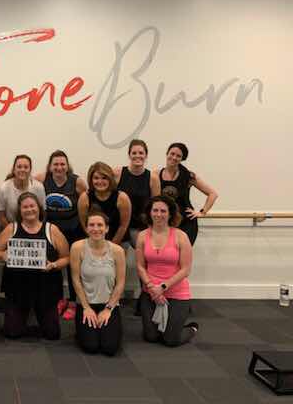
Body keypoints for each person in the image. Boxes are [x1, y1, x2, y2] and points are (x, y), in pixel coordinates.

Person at [0, 192, 69, 340]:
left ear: (39, 208)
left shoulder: (52, 230)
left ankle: (37, 313)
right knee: (12, 332)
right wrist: (4, 256)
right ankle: (24, 315)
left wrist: (53, 264)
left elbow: (66, 258)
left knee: (52, 334)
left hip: (45, 286)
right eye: (25, 207)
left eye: (32, 206)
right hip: (18, 287)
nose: (29, 210)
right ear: (20, 210)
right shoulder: (11, 228)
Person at [136, 196, 198, 347]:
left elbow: (186, 269)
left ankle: (191, 328)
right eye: (155, 210)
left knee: (170, 340)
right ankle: (166, 326)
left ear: (170, 214)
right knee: (151, 337)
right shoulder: (142, 236)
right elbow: (140, 266)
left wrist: (163, 287)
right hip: (150, 292)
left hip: (176, 292)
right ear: (149, 213)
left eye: (163, 211)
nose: (158, 214)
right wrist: (151, 287)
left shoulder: (181, 236)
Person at [35, 150, 87, 321]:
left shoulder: (77, 182)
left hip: (73, 230)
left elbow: (86, 204)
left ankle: (73, 301)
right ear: (50, 166)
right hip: (51, 231)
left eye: (62, 164)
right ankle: (57, 299)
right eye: (55, 164)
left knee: (73, 267)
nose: (59, 167)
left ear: (67, 165)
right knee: (53, 266)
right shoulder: (41, 179)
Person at [70, 212, 126, 356]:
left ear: (107, 228)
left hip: (109, 304)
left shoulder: (117, 251)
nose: (96, 229)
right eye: (91, 225)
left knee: (109, 348)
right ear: (86, 228)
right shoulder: (77, 248)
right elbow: (76, 280)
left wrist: (108, 309)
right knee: (91, 347)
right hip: (86, 304)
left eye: (100, 225)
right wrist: (86, 308)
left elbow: (120, 283)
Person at [160, 143, 218, 245]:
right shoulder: (156, 175)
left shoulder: (189, 176)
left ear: (182, 159)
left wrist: (202, 212)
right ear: (167, 154)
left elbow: (213, 194)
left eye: (178, 156)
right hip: (165, 222)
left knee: (183, 253)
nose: (174, 157)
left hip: (186, 223)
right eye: (172, 154)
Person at [114, 139, 160, 247]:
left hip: (140, 227)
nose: (137, 156)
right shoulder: (117, 173)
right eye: (134, 153)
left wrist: (154, 228)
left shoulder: (152, 178)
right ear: (129, 155)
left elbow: (157, 205)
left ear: (146, 155)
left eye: (141, 153)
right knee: (118, 255)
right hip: (119, 225)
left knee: (144, 255)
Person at [79, 162, 131, 246]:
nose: (100, 181)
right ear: (91, 180)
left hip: (119, 241)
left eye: (104, 178)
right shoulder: (84, 197)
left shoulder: (122, 197)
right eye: (96, 178)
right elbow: (85, 226)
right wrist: (98, 244)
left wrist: (111, 247)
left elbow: (123, 226)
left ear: (110, 179)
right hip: (93, 241)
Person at [0, 155, 45, 232]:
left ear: (30, 170)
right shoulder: (3, 188)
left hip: (33, 229)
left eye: (26, 167)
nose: (22, 169)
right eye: (19, 167)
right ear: (13, 170)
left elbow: (43, 212)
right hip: (9, 228)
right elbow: (1, 216)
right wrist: (14, 232)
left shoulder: (39, 187)